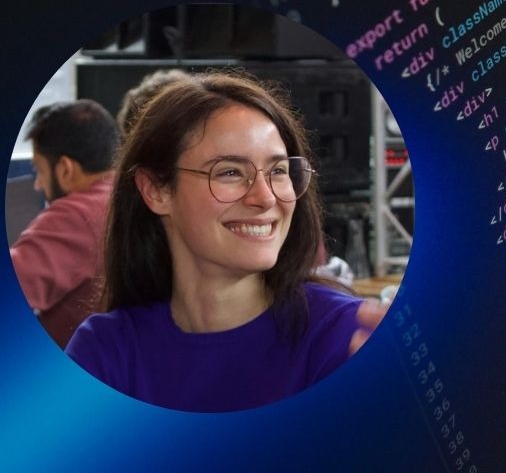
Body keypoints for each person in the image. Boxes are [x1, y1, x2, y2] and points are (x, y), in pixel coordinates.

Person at [65, 71, 383, 412]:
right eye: (230, 172)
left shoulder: (345, 336)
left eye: (278, 171)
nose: (265, 198)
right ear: (155, 190)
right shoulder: (106, 349)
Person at [11, 99, 119, 347]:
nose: (37, 184)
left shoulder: (75, 217)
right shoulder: (127, 194)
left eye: (39, 170)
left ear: (65, 169)